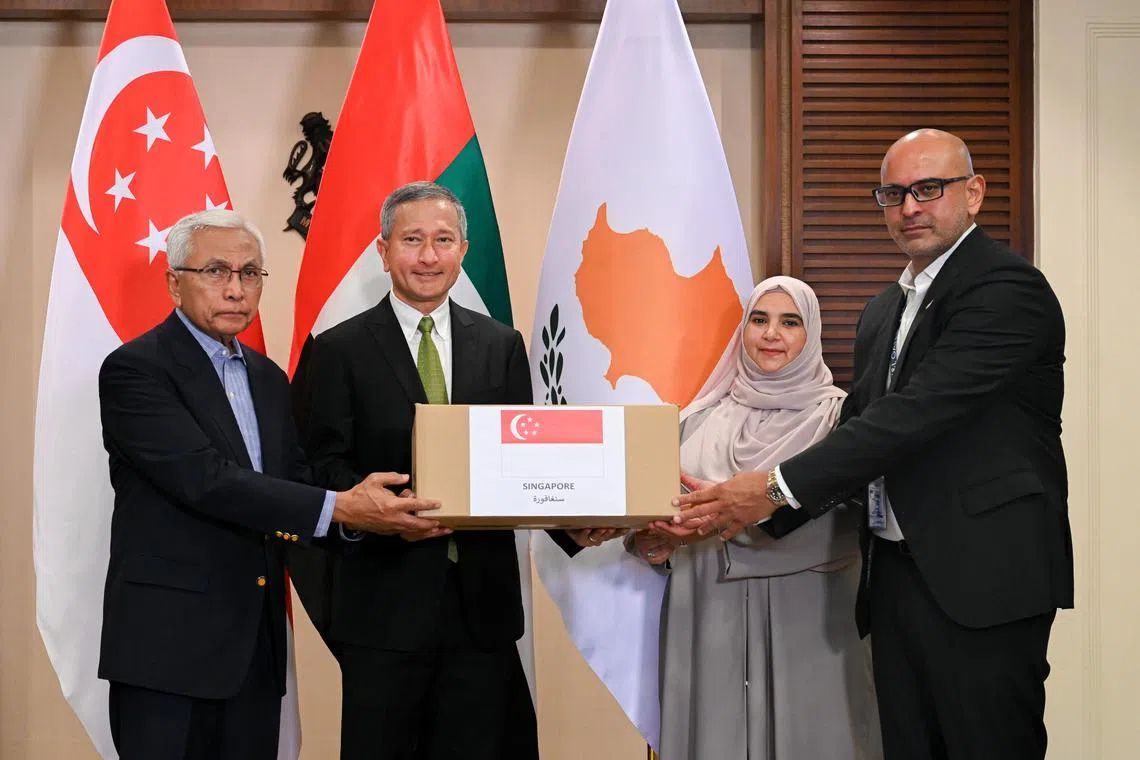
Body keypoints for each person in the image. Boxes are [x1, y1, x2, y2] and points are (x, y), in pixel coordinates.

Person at [674, 129, 1072, 760]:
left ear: (973, 195)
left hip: (982, 576)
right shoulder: (884, 307)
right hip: (894, 577)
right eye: (893, 193)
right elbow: (857, 424)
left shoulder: (1007, 290)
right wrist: (718, 514)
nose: (909, 206)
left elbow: (913, 417)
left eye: (928, 189)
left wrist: (770, 489)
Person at [96, 209, 438, 760]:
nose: (235, 288)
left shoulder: (268, 378)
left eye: (250, 273)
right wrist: (345, 508)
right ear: (174, 282)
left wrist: (381, 517)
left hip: (255, 645)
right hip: (168, 648)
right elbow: (206, 480)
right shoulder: (136, 370)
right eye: (215, 272)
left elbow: (294, 485)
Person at [290, 181, 614, 760]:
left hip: (480, 608)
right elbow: (318, 464)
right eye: (412, 239)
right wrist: (370, 509)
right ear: (383, 250)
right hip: (382, 606)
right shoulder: (338, 349)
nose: (429, 256)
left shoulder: (501, 344)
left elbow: (522, 459)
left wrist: (572, 526)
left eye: (444, 240)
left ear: (464, 250)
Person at [630, 276, 880, 759]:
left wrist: (719, 530)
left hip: (810, 614)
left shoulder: (842, 421)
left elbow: (854, 521)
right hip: (705, 611)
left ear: (812, 336)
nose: (771, 334)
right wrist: (655, 544)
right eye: (759, 320)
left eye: (790, 322)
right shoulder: (697, 420)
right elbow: (656, 524)